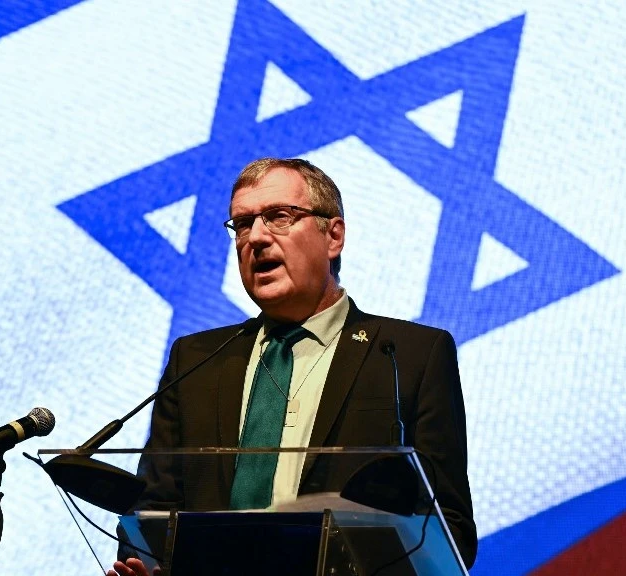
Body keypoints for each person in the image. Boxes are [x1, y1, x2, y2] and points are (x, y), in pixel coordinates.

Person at [108, 158, 475, 576]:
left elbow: (451, 528)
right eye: (242, 224)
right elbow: (153, 509)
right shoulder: (196, 360)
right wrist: (141, 563)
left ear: (333, 236)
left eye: (279, 216)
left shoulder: (408, 356)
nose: (256, 237)